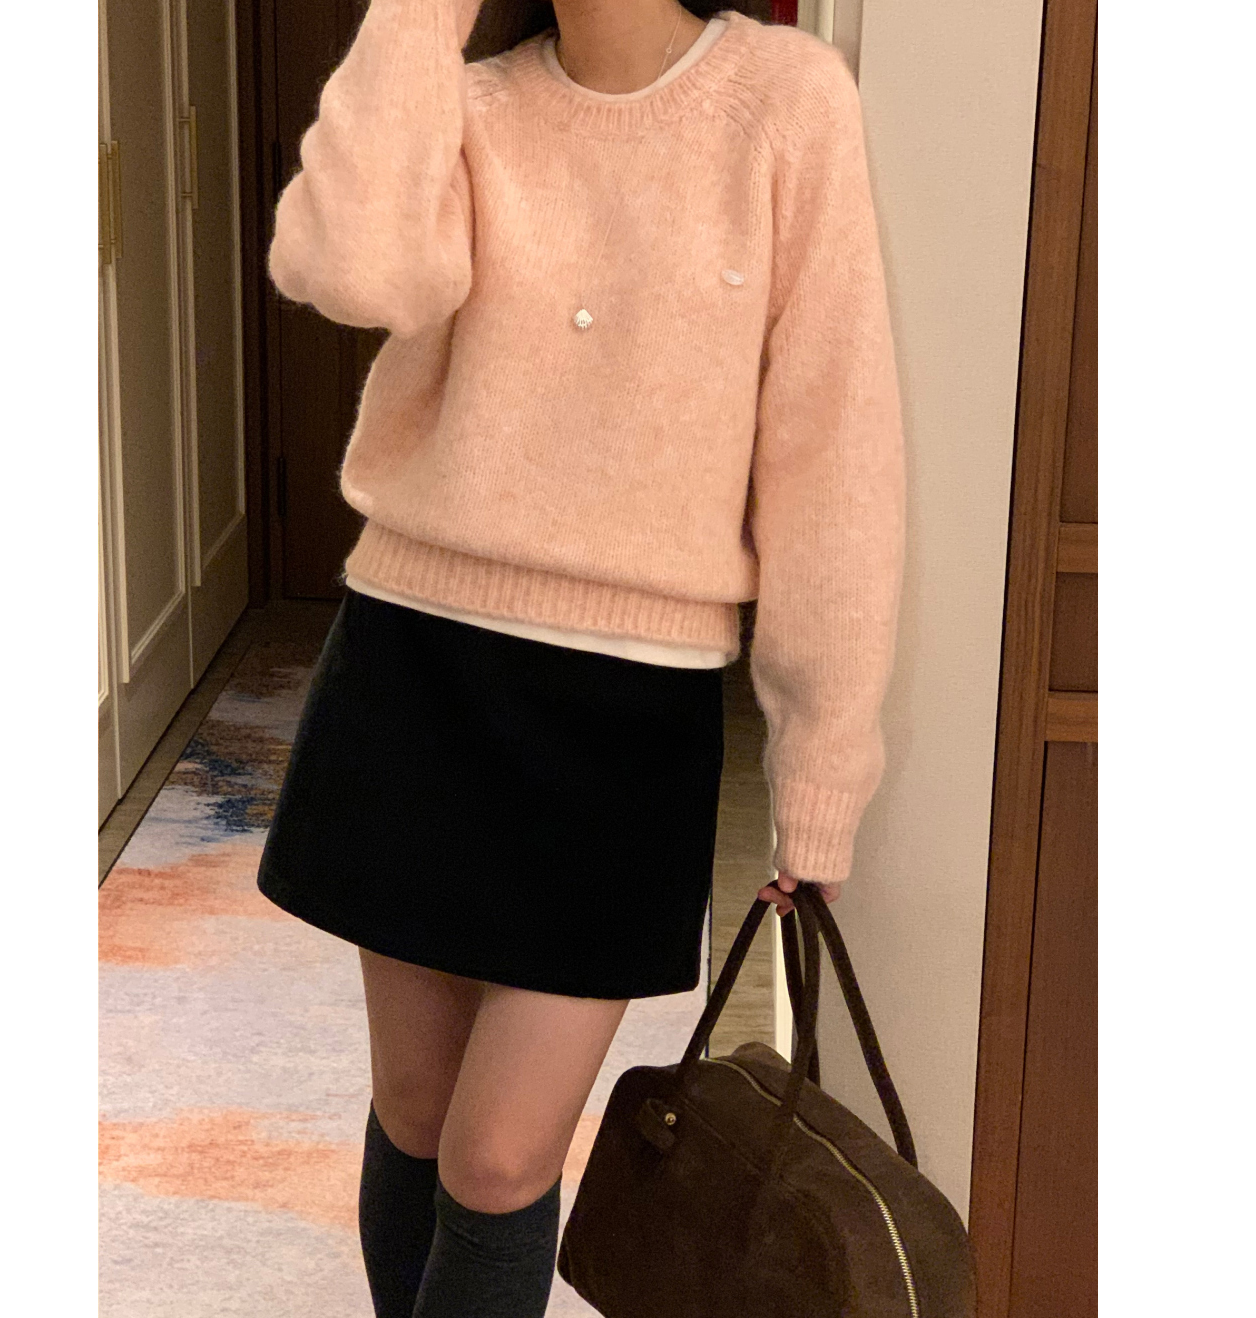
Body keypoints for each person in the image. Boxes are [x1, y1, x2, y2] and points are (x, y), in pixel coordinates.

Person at [255, 0, 904, 1314]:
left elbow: (833, 452)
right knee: (417, 1107)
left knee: (500, 1154)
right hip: (414, 667)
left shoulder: (788, 104)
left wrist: (822, 763)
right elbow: (346, 267)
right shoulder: (470, 103)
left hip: (625, 708)